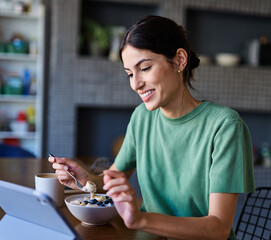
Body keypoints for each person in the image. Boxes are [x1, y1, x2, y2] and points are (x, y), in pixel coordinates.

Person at [49, 15, 255, 240]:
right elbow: (114, 178)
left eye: (144, 68)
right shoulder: (142, 117)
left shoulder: (225, 126)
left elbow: (218, 228)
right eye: (129, 73)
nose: (135, 84)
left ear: (179, 60)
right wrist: (84, 179)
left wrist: (140, 219)